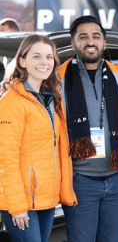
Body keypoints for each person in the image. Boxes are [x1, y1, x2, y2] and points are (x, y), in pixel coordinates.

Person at [60, 15, 118, 242]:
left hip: (117, 181)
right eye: (82, 37)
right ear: (73, 43)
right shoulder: (59, 78)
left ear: (104, 43)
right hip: (79, 181)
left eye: (96, 36)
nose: (90, 41)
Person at [0, 34, 77, 242]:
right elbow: (6, 159)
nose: (44, 63)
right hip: (21, 202)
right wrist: (17, 206)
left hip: (45, 199)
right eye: (36, 57)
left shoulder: (49, 98)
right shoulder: (12, 102)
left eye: (49, 57)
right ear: (22, 61)